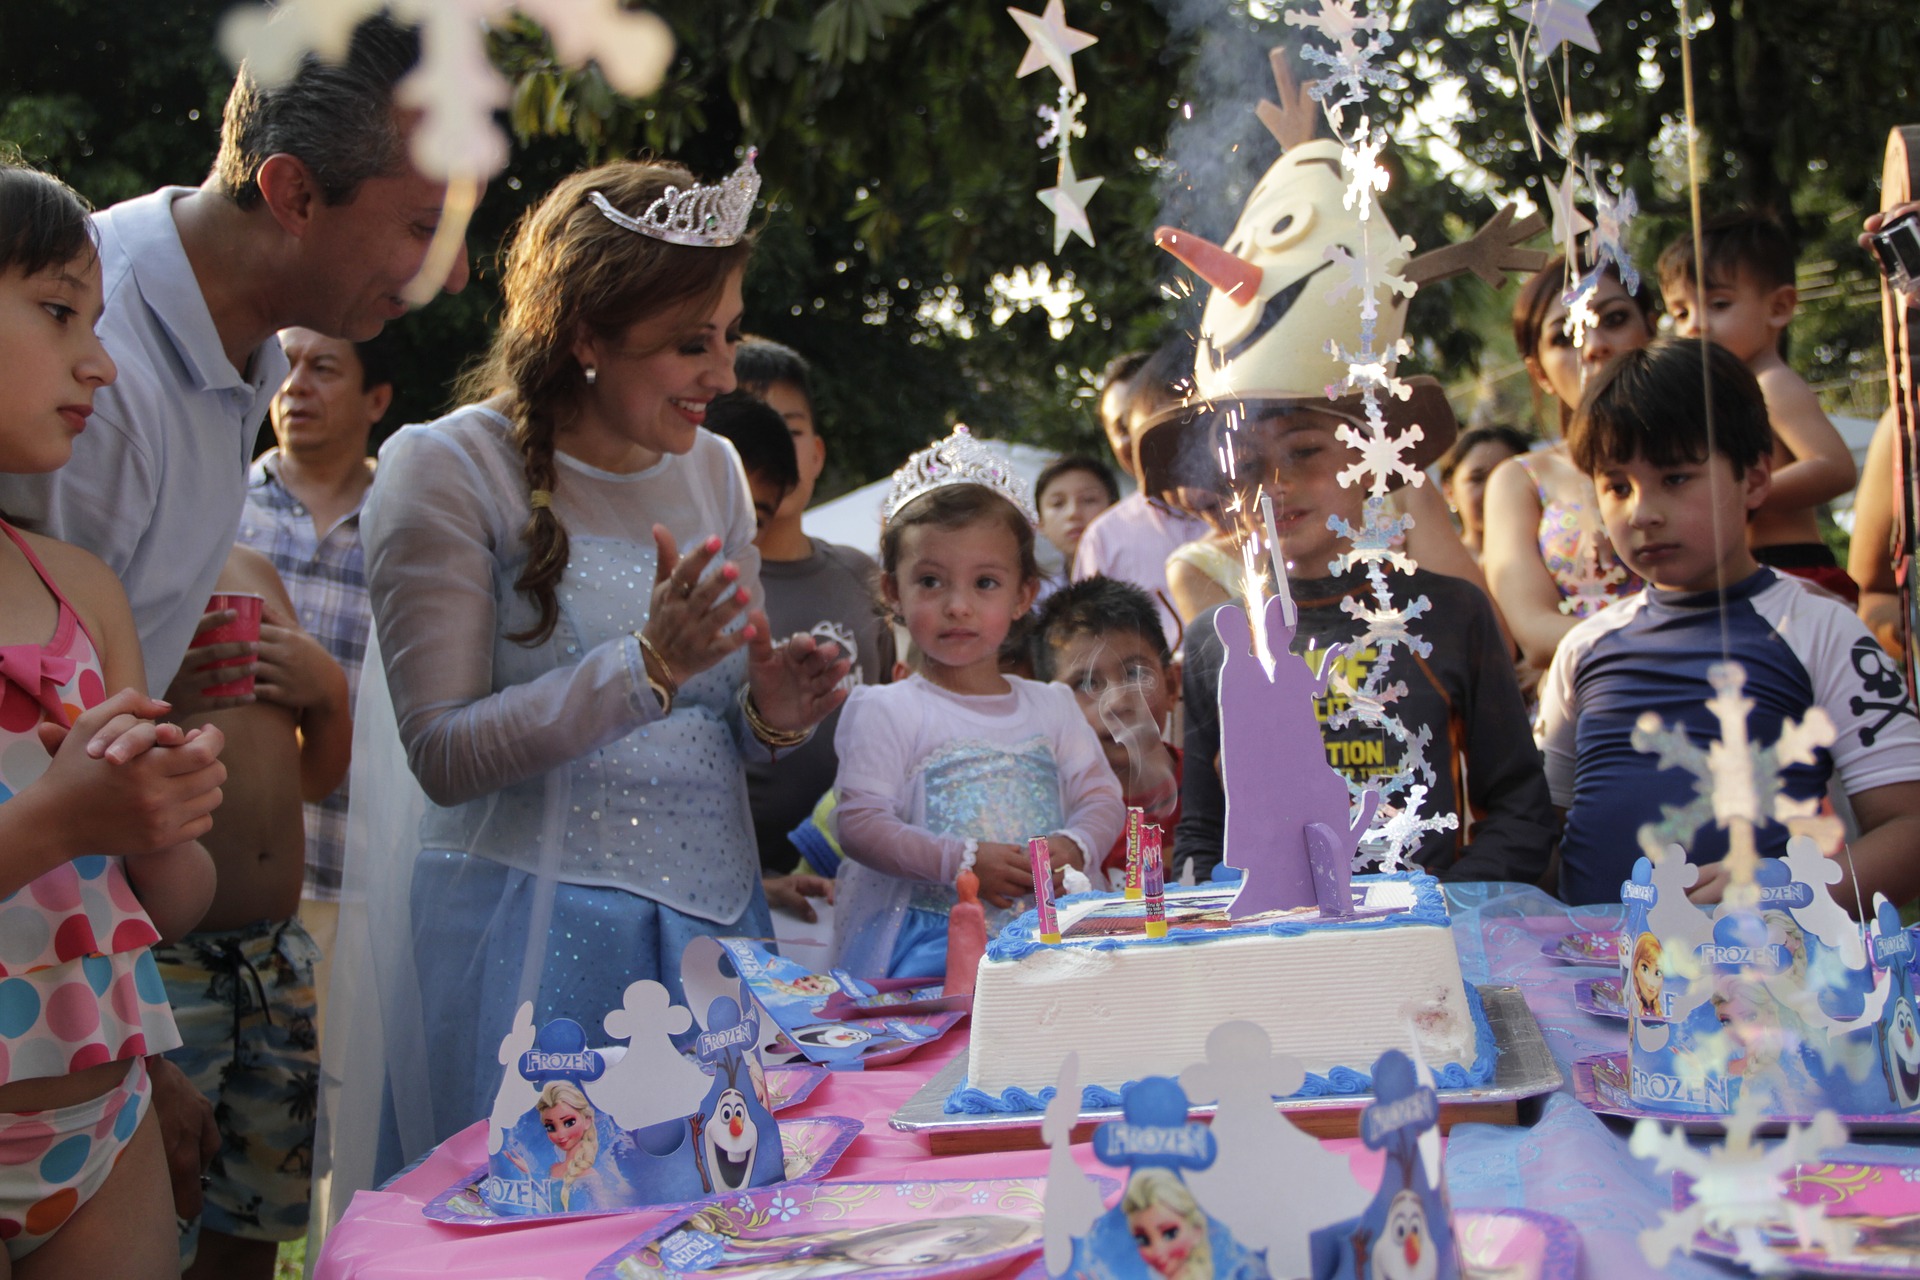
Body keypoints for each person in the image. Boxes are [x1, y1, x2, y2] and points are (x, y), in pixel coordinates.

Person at [339, 156, 851, 1177]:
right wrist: (645, 665)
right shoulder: (447, 468)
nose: (721, 374)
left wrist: (772, 711)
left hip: (711, 935)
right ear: (583, 335)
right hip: (535, 937)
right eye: (687, 344)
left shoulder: (711, 471)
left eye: (730, 334)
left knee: (716, 1218)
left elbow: (707, 723)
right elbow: (440, 750)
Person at [0, 16, 471, 700]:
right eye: (427, 227)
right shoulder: (89, 388)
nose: (454, 274)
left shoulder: (243, 348)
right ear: (295, 197)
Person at [0, 160, 224, 1279]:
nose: (101, 358)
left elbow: (168, 902)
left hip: (104, 1127)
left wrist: (164, 813)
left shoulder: (82, 591)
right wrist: (55, 818)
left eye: (97, 316)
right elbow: (49, 836)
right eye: (55, 312)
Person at [1540, 338, 1920, 908]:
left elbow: (1909, 831)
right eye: (1617, 486)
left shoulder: (1822, 629)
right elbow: (1542, 828)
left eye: (1675, 478)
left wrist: (1788, 893)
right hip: (1589, 985)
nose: (1643, 512)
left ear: (1755, 479)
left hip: (1764, 984)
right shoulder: (1582, 648)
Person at [1172, 405, 1554, 885]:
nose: (1274, 483)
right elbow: (1204, 832)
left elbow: (1520, 811)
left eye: (1305, 451)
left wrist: (1439, 908)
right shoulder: (1217, 637)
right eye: (1248, 466)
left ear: (1368, 464)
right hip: (1279, 938)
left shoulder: (1450, 613)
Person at [828, 428, 1125, 979]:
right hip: (930, 954)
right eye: (932, 581)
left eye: (985, 582)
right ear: (893, 592)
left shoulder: (1054, 706)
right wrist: (961, 862)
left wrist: (1075, 844)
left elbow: (1102, 795)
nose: (958, 606)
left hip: (1053, 937)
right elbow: (861, 824)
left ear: (1023, 595)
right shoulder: (886, 710)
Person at [156, 545, 349, 1280]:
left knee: (258, 1219)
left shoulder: (252, 571)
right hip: (168, 963)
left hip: (271, 963)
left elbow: (314, 777)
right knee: (157, 1214)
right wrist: (162, 688)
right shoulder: (120, 562)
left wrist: (327, 692)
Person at [235, 326, 391, 1040]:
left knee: (348, 1122)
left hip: (366, 874)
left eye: (323, 367)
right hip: (234, 880)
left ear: (377, 399)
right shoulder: (224, 505)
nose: (295, 385)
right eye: (283, 366)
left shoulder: (408, 522)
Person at [711, 354, 894, 899]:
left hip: (854, 875)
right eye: (750, 427)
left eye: (788, 430)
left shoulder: (863, 577)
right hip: (727, 882)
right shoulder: (703, 585)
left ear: (815, 453)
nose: (771, 448)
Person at [704, 390, 853, 920]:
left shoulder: (748, 599)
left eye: (754, 518)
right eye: (715, 501)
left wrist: (775, 723)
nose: (729, 535)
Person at [1658, 211, 1858, 599]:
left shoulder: (1772, 384)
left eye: (1718, 304)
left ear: (1779, 307)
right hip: (1744, 571)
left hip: (1793, 568)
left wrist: (1738, 495)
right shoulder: (1719, 398)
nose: (1695, 325)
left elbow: (1834, 468)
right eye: (1681, 312)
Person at [1483, 258, 1657, 686]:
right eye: (1565, 336)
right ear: (1538, 371)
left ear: (1652, 328)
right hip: (1586, 711)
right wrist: (1669, 649)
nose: (1593, 345)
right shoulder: (1519, 479)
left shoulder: (1709, 448)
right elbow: (1536, 632)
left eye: (1614, 320)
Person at [1033, 576, 1182, 890]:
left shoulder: (1218, 792)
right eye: (1086, 684)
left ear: (1171, 685)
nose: (1117, 703)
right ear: (1049, 707)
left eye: (1135, 674)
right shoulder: (1049, 819)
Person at [1073, 341, 1211, 648]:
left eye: (1149, 417)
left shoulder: (1249, 509)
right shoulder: (1103, 540)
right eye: (1121, 426)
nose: (1138, 436)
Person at [1439, 424, 1531, 563]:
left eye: (1506, 475)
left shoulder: (1554, 554)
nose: (1494, 488)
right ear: (1450, 492)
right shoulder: (1441, 568)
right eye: (1477, 479)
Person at [1034, 453, 1118, 596]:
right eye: (1057, 504)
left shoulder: (1139, 578)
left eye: (1089, 500)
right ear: (1040, 522)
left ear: (1116, 510)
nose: (1073, 513)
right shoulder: (1037, 599)